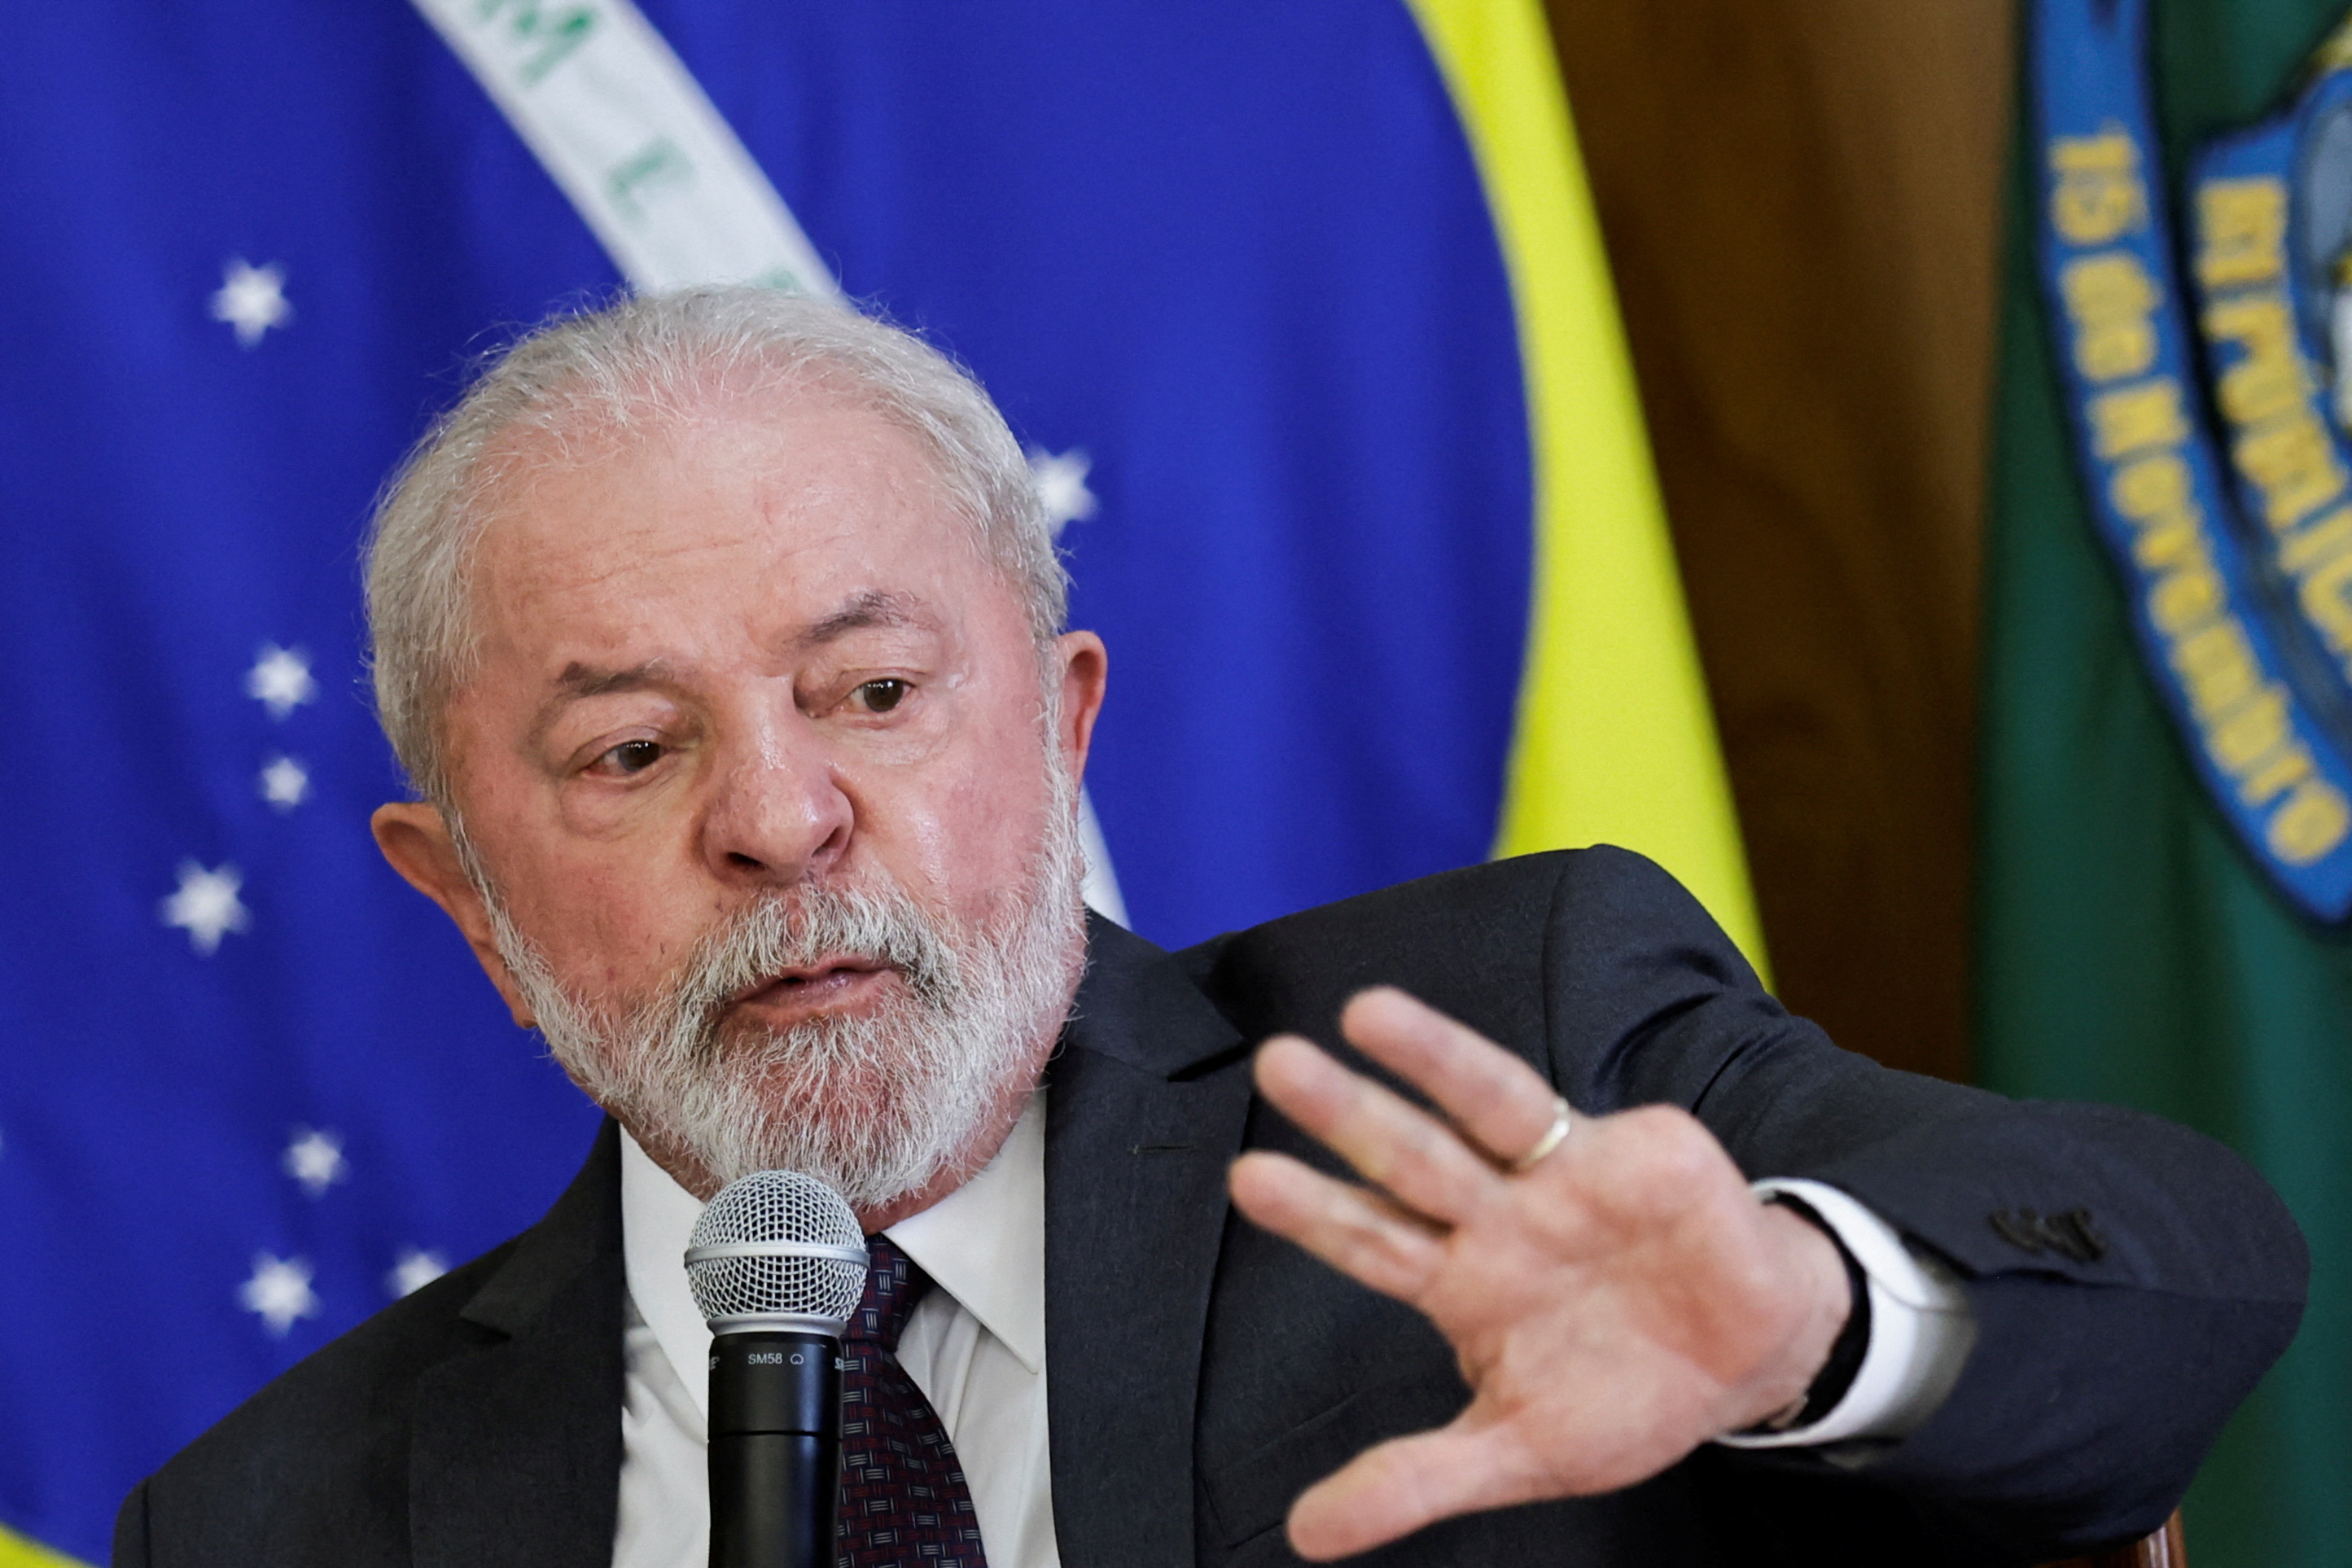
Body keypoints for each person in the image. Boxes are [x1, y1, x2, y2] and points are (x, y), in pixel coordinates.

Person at [115, 289, 2304, 1568]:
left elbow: (2173, 1266)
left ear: (1062, 733)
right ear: (465, 899)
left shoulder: (1490, 1055)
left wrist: (1808, 1315)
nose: (779, 821)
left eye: (874, 695)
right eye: (624, 755)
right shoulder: (272, 1527)